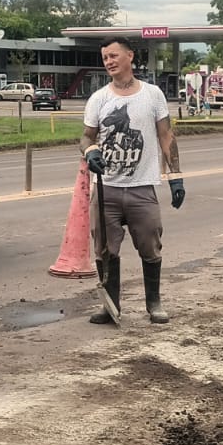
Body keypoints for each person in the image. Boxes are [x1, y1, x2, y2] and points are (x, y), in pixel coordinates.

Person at [81, 37, 185, 324]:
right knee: (104, 249)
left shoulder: (152, 95)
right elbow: (87, 136)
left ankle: (154, 302)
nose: (109, 61)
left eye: (113, 55)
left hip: (142, 188)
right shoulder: (100, 98)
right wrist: (90, 151)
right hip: (107, 189)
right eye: (104, 58)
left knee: (150, 245)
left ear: (130, 56)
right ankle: (110, 306)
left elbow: (166, 135)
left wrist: (175, 176)